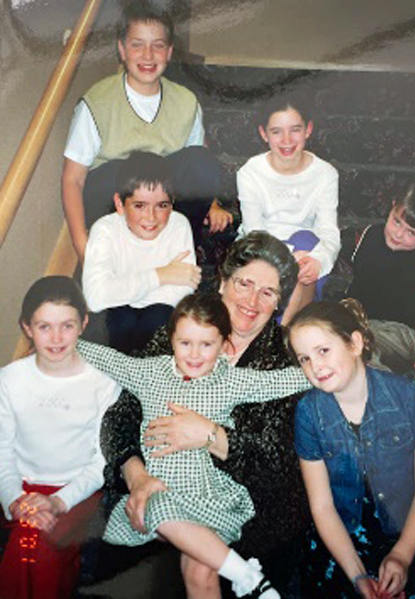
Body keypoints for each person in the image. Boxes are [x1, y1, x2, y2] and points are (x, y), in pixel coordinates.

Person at [99, 231, 311, 599]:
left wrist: (211, 435)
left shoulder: (284, 360)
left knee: (201, 565)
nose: (252, 300)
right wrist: (137, 478)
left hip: (241, 504)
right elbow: (120, 417)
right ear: (223, 282)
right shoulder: (180, 334)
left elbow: (279, 462)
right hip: (163, 485)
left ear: (279, 303)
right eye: (244, 283)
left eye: (268, 292)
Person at [287, 299, 415, 598]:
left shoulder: (408, 397)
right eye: (304, 358)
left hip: (407, 528)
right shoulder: (309, 412)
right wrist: (358, 574)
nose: (315, 366)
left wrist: (402, 554)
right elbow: (322, 506)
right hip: (342, 533)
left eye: (323, 350)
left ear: (355, 343)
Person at [62, 0, 232, 261]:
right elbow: (73, 179)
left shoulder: (187, 101)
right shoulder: (96, 102)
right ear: (122, 49)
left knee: (201, 160)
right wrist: (80, 243)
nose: (148, 55)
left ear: (170, 52)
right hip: (115, 194)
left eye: (158, 46)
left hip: (163, 194)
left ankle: (178, 248)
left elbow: (195, 162)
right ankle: (126, 251)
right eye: (137, 44)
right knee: (119, 173)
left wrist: (212, 204)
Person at [0, 276, 121, 599]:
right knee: (28, 545)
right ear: (26, 327)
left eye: (66, 325)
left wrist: (57, 501)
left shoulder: (103, 382)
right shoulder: (10, 380)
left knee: (33, 551)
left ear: (83, 323)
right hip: (20, 489)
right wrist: (15, 499)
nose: (56, 338)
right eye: (44, 327)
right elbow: (2, 451)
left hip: (77, 492)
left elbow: (102, 460)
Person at [82, 152, 201, 354]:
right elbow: (95, 298)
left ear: (173, 202)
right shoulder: (104, 229)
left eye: (162, 206)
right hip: (117, 316)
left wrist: (125, 290)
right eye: (139, 206)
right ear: (120, 204)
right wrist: (161, 275)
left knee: (158, 319)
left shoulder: (178, 224)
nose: (151, 217)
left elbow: (184, 289)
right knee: (119, 319)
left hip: (158, 312)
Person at [237, 93, 340, 323]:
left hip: (308, 256)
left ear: (308, 129)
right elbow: (255, 233)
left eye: (295, 129)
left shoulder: (325, 174)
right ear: (264, 133)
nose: (286, 140)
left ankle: (278, 331)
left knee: (306, 238)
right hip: (260, 251)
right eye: (276, 131)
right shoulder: (250, 172)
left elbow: (328, 231)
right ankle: (283, 333)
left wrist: (319, 261)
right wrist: (288, 260)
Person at [347, 180, 415, 378]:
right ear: (393, 206)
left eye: (412, 233)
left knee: (373, 346)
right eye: (396, 221)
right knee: (325, 325)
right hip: (357, 316)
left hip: (400, 332)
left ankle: (362, 370)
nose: (398, 234)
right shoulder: (368, 235)